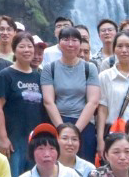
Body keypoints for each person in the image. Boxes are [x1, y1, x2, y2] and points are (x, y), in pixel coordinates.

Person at [42, 25, 102, 160]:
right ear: (59, 43)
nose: (70, 44)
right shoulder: (49, 68)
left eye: (74, 40)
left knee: (85, 165)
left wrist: (76, 131)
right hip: (58, 121)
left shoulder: (90, 68)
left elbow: (93, 102)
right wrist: (62, 130)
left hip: (84, 124)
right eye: (65, 39)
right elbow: (48, 101)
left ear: (80, 44)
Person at [0, 36, 47, 174]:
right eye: (22, 46)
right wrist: (3, 138)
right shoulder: (5, 75)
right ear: (14, 50)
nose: (26, 50)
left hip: (35, 139)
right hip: (13, 139)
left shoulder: (38, 77)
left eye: (29, 46)